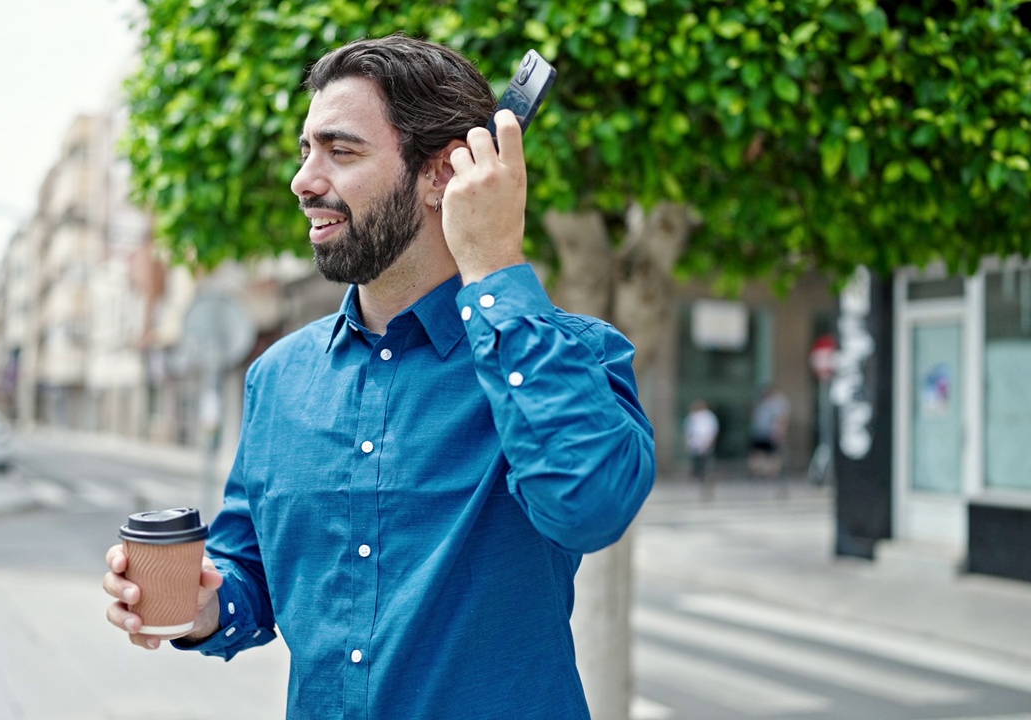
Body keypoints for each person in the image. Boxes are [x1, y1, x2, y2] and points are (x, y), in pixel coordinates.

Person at [103, 35, 656, 717]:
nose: (304, 181)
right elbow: (250, 573)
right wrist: (204, 605)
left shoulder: (571, 354)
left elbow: (590, 504)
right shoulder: (278, 378)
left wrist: (495, 268)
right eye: (306, 151)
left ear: (442, 173)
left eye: (341, 151)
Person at [748, 385, 790, 478]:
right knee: (758, 453)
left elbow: (782, 419)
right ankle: (759, 472)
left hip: (771, 433)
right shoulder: (761, 403)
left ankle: (771, 474)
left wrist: (780, 433)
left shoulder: (778, 404)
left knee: (772, 455)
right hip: (759, 433)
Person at [684, 399, 718, 485]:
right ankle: (695, 478)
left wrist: (709, 442)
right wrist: (687, 442)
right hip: (694, 443)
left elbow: (713, 431)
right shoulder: (692, 416)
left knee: (705, 463)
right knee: (695, 462)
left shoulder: (709, 417)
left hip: (705, 443)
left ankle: (705, 479)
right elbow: (688, 431)